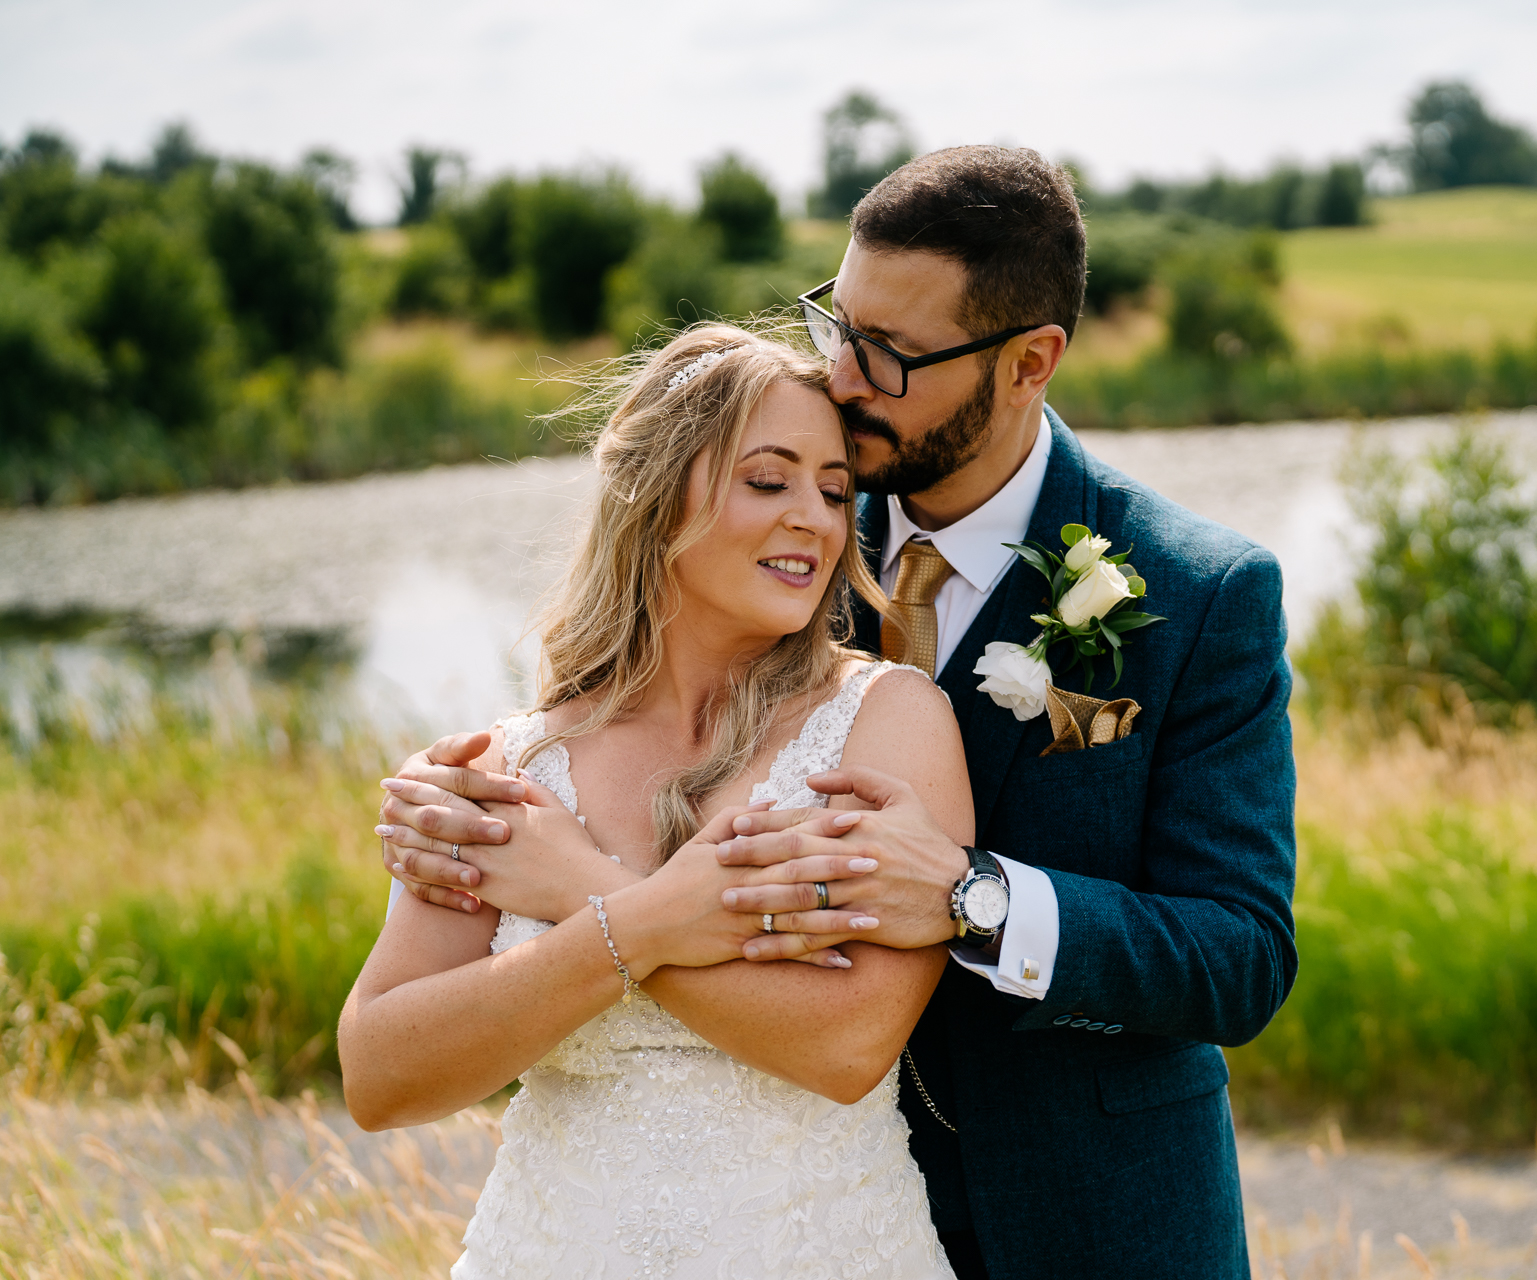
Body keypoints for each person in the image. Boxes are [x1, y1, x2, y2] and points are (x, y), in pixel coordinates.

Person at [384, 146, 1298, 1280]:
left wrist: (975, 898)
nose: (845, 377)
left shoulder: (1197, 592)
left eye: (893, 354)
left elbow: (1242, 954)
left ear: (1030, 361)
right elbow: (614, 732)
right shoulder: (779, 542)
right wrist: (452, 804)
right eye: (837, 324)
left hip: (1090, 1218)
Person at [340, 326, 972, 1279]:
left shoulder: (888, 720)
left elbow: (848, 1047)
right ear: (653, 492)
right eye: (770, 480)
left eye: (836, 490)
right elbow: (380, 1076)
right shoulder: (514, 765)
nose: (816, 517)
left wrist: (582, 887)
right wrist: (650, 919)